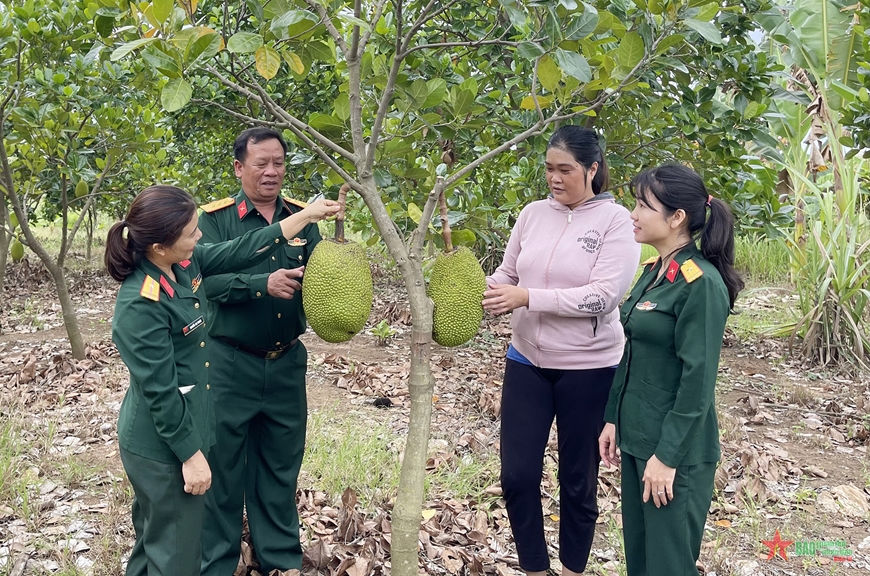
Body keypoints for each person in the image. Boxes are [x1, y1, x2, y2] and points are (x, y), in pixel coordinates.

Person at [105, 185, 338, 576]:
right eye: (192, 233)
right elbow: (160, 393)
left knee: (153, 545)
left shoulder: (179, 267)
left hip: (179, 432)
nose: (200, 237)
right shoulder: (140, 304)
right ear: (161, 245)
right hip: (162, 446)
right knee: (177, 556)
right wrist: (192, 457)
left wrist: (303, 217)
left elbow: (240, 249)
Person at [482, 126, 640, 576]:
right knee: (516, 477)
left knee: (577, 482)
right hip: (526, 360)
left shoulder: (616, 223)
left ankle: (572, 569)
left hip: (589, 369)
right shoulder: (532, 214)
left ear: (592, 169)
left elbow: (604, 297)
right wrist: (479, 287)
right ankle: (534, 569)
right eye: (549, 168)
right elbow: (507, 273)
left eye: (565, 170)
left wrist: (527, 297)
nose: (554, 178)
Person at [598, 164, 743, 576]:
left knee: (669, 566)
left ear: (676, 217)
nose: (633, 213)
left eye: (643, 205)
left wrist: (666, 457)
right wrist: (612, 419)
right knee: (641, 562)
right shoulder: (654, 273)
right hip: (638, 438)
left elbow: (698, 383)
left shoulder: (701, 284)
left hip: (674, 451)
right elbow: (632, 352)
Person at [198, 127, 323, 575]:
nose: (272, 172)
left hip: (286, 362)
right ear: (239, 168)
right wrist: (259, 285)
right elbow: (202, 280)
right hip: (229, 363)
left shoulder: (303, 217)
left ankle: (281, 561)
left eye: (279, 163)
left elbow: (325, 281)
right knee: (222, 471)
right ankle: (217, 563)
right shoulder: (213, 219)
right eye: (261, 164)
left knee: (279, 470)